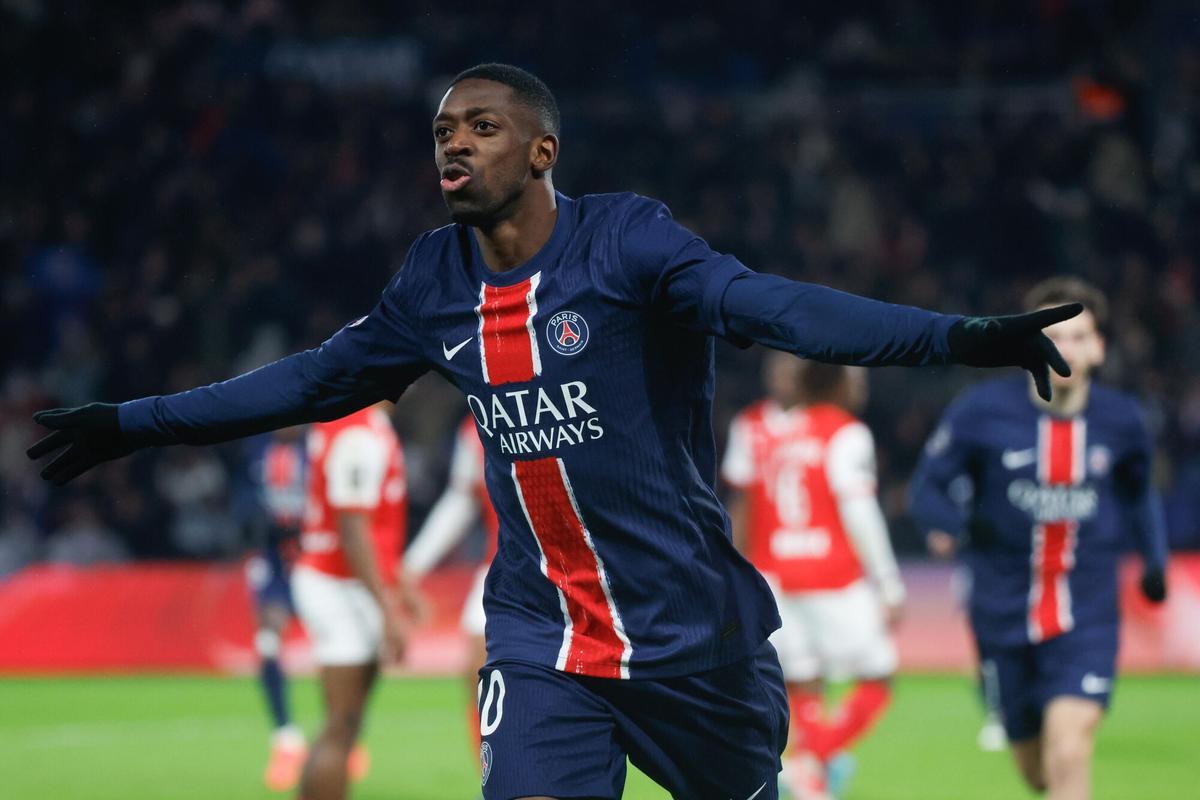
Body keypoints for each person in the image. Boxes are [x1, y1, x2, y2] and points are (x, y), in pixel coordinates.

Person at [29, 63, 1079, 800]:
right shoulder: (431, 282)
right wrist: (133, 423)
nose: (454, 143)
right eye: (442, 129)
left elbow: (778, 307)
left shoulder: (628, 243)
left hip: (691, 635)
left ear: (541, 150)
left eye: (480, 126)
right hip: (542, 634)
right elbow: (311, 381)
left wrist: (965, 336)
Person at [909, 277, 1168, 800]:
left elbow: (1141, 494)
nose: (1064, 348)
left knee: (1070, 751)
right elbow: (926, 486)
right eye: (1053, 335)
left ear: (1099, 348)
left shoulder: (1123, 421)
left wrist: (1155, 563)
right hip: (1001, 615)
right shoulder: (980, 412)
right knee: (1036, 769)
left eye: (1078, 336)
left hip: (1086, 614)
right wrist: (948, 526)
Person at [723, 355, 902, 800]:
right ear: (836, 382)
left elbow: (742, 501)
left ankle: (812, 777)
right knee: (879, 678)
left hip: (776, 574)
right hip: (833, 575)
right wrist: (888, 581)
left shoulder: (778, 435)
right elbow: (858, 510)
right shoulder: (845, 432)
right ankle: (812, 759)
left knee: (802, 677)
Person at [291, 401, 421, 800]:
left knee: (346, 725)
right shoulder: (359, 434)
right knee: (341, 725)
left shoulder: (352, 424)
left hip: (345, 582)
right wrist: (388, 610)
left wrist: (400, 585)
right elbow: (351, 530)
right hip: (338, 585)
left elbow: (371, 526)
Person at [403, 415, 499, 761]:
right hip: (499, 565)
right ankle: (494, 781)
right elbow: (462, 498)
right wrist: (413, 564)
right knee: (479, 673)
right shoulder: (474, 429)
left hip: (562, 567)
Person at [245, 426, 308, 791]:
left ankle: (347, 732)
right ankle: (286, 737)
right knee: (267, 642)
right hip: (274, 561)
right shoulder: (257, 452)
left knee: (339, 644)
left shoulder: (316, 447)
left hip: (315, 554)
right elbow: (245, 500)